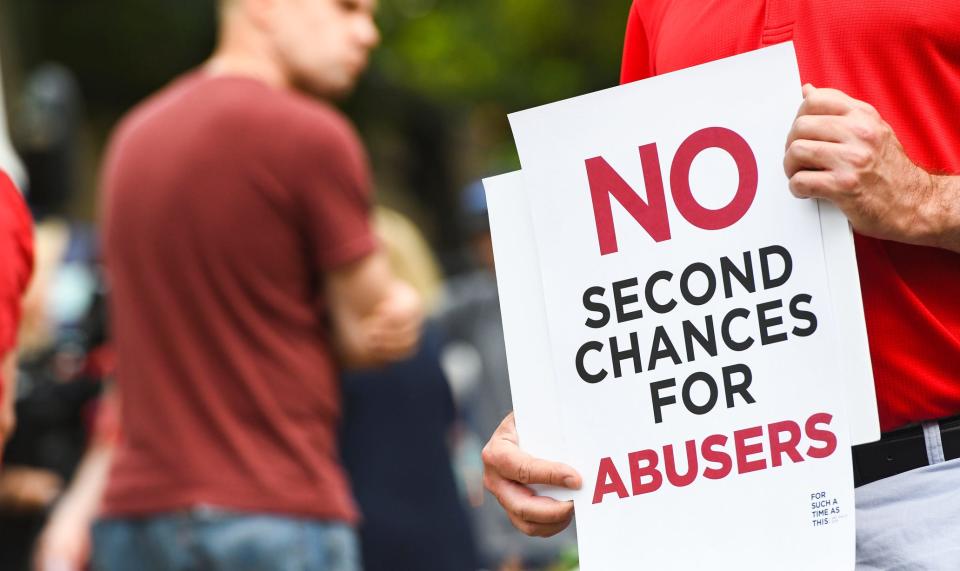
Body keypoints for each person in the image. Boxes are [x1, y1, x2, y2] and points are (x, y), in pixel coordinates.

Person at [482, 1, 960, 568]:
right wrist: (558, 425)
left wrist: (924, 200)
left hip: (940, 487)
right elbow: (655, 271)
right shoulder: (657, 10)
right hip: (734, 511)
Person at [92, 0, 422, 569]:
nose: (366, 35)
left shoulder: (131, 139)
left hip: (135, 518)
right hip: (270, 513)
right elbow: (373, 330)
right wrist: (406, 301)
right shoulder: (310, 134)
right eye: (346, 9)